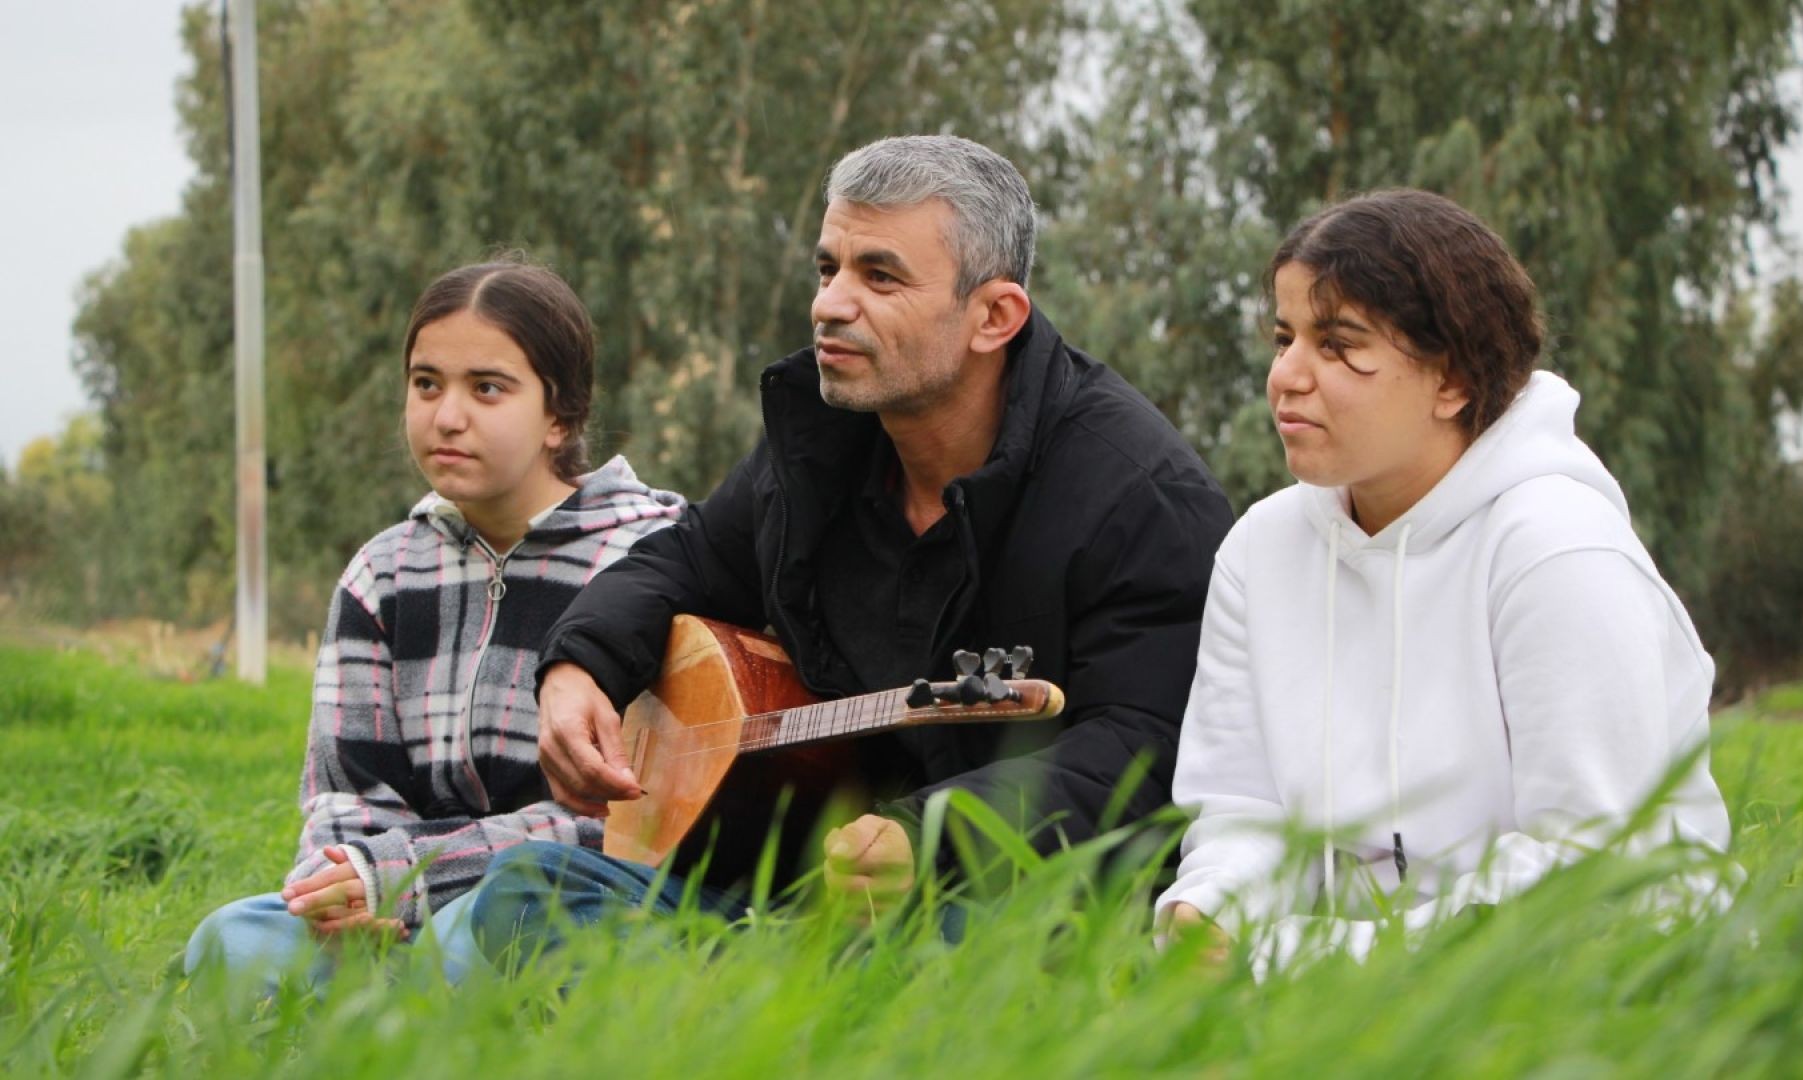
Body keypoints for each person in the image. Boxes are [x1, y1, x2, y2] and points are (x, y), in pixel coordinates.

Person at [468, 134, 1236, 964]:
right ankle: (770, 997)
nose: (830, 304)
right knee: (526, 891)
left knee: (951, 954)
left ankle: (733, 1005)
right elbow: (684, 558)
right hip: (807, 890)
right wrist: (581, 666)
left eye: (880, 276)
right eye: (827, 268)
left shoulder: (1139, 492)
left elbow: (1142, 749)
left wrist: (927, 836)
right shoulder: (825, 442)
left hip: (997, 899)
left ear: (995, 316)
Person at [1155, 189, 1731, 976]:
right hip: (1333, 1004)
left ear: (1452, 380)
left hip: (1601, 1000)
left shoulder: (1557, 550)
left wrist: (1299, 957)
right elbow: (1242, 810)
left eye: (1339, 345)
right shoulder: (1261, 550)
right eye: (1286, 337)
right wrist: (1208, 913)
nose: (1285, 376)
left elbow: (1597, 877)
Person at [185, 259, 686, 994]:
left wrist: (403, 876)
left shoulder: (652, 559)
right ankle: (387, 994)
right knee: (227, 942)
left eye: (487, 388)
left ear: (560, 415)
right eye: (427, 384)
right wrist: (340, 891)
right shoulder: (383, 573)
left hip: (567, 897)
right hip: (399, 903)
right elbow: (345, 793)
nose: (447, 416)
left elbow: (630, 815)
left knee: (468, 938)